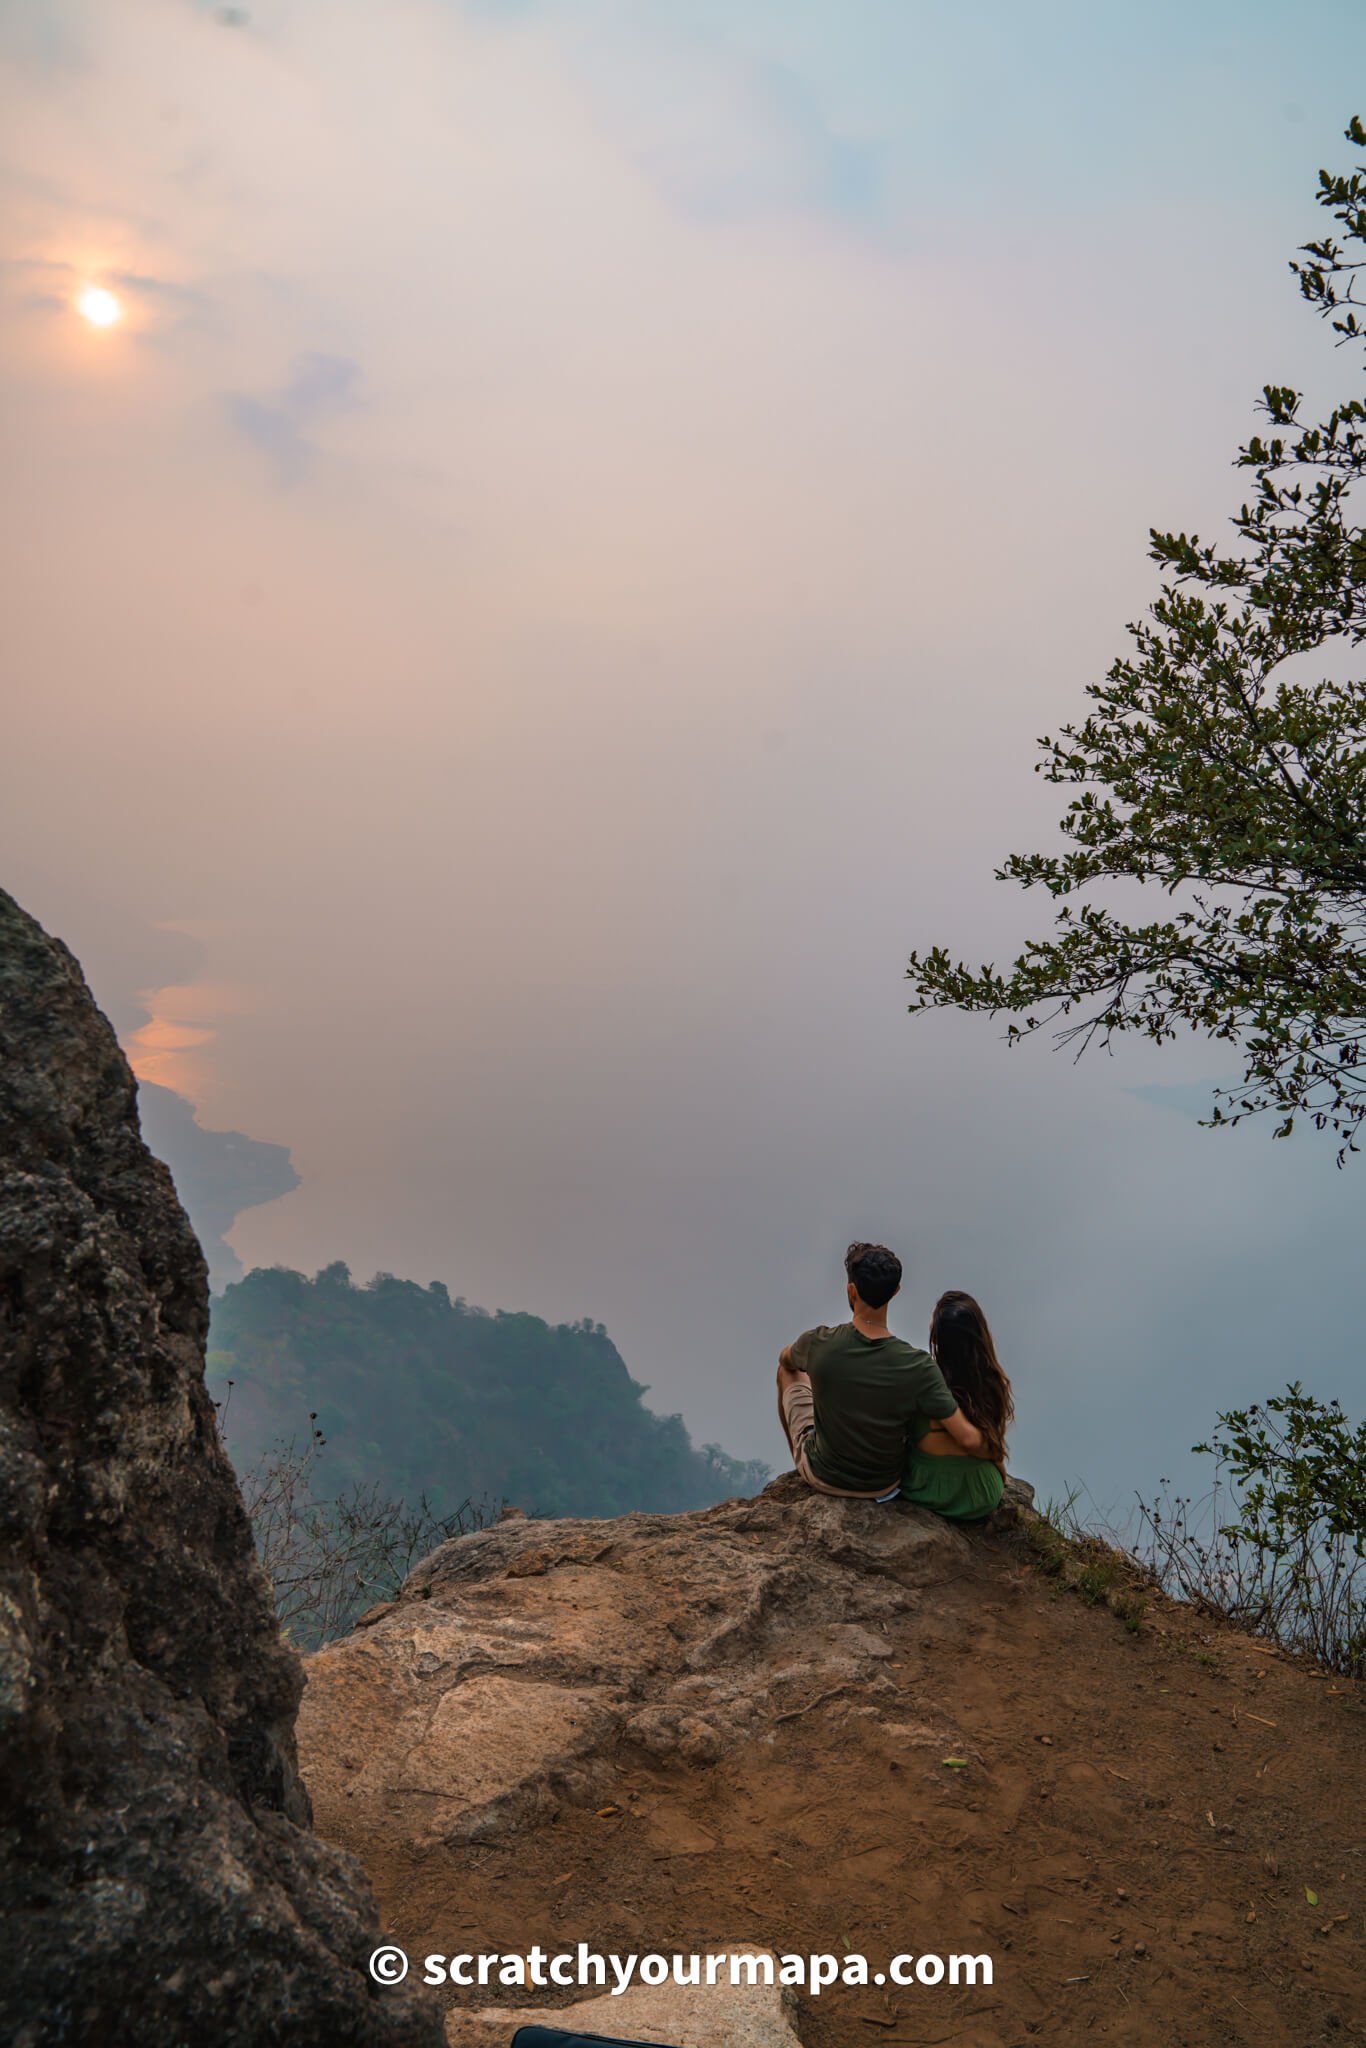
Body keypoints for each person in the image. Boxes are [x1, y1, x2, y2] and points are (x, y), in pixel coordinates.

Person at [777, 1242, 986, 1499]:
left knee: (787, 1372)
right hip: (884, 1483)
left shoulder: (818, 1342)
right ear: (896, 1291)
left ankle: (804, 1462)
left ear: (851, 1291)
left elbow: (786, 1360)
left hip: (824, 1476)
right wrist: (995, 1453)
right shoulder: (918, 1366)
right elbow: (968, 1438)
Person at [898, 1290, 1014, 1523]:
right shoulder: (992, 1383)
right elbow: (993, 1446)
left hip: (927, 1488)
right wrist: (998, 1470)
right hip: (980, 1493)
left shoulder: (926, 1380)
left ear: (938, 1338)